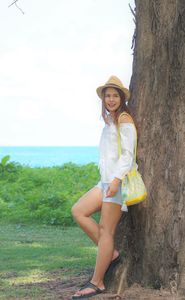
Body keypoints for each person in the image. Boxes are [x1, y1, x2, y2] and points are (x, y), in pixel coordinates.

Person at [71, 75, 137, 299]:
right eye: (107, 96)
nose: (110, 99)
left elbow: (128, 155)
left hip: (117, 182)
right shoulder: (110, 120)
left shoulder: (125, 120)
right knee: (78, 211)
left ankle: (97, 282)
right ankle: (111, 253)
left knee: (105, 230)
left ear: (121, 98)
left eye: (115, 95)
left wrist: (117, 180)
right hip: (105, 182)